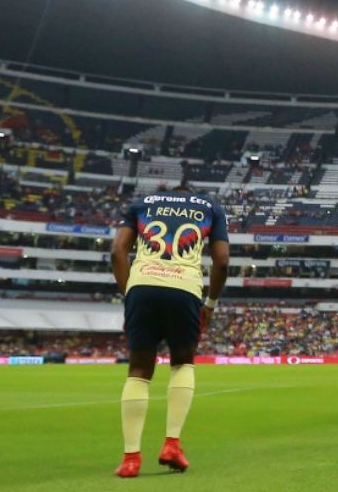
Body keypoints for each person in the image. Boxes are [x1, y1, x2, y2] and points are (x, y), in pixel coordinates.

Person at [110, 184, 230, 477]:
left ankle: (130, 459)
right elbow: (222, 261)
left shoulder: (141, 203)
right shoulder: (210, 207)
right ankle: (172, 444)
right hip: (184, 289)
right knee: (182, 362)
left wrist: (132, 293)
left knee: (138, 370)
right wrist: (210, 304)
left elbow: (117, 252)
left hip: (142, 286)